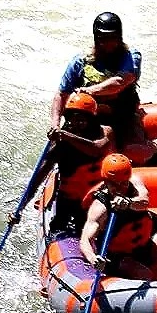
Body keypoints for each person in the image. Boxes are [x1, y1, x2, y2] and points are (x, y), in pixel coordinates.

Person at [78, 153, 157, 281]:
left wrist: (129, 203)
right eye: (114, 185)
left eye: (123, 183)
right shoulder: (100, 208)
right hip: (118, 257)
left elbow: (144, 201)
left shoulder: (135, 183)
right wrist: (93, 258)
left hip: (144, 247)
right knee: (145, 274)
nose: (120, 188)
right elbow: (85, 240)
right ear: (106, 181)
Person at [54, 12, 146, 150]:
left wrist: (90, 90)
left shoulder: (131, 56)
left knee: (135, 153)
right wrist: (55, 124)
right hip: (90, 119)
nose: (109, 43)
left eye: (113, 38)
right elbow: (61, 94)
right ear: (96, 38)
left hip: (123, 115)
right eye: (103, 38)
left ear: (119, 37)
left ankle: (156, 146)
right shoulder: (80, 62)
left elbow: (121, 81)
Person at [41, 91, 112, 239]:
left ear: (92, 120)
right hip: (69, 201)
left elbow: (96, 149)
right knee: (61, 227)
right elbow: (39, 176)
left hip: (98, 198)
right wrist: (20, 210)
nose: (76, 125)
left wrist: (65, 135)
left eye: (81, 121)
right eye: (73, 120)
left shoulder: (105, 132)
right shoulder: (60, 145)